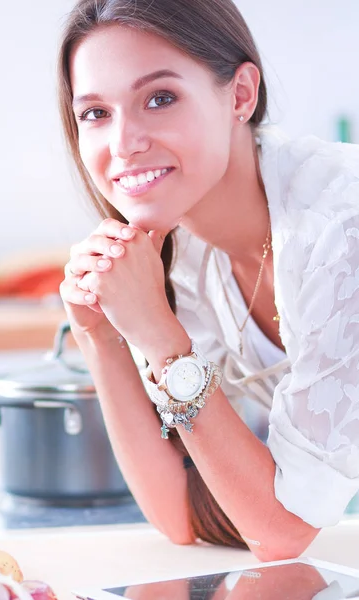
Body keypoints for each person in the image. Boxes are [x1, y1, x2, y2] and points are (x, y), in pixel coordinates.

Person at [57, 0, 359, 562]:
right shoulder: (184, 248)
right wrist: (100, 338)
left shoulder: (341, 227)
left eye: (160, 98)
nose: (123, 143)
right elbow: (182, 512)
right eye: (96, 113)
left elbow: (283, 532)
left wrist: (159, 337)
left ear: (241, 96)